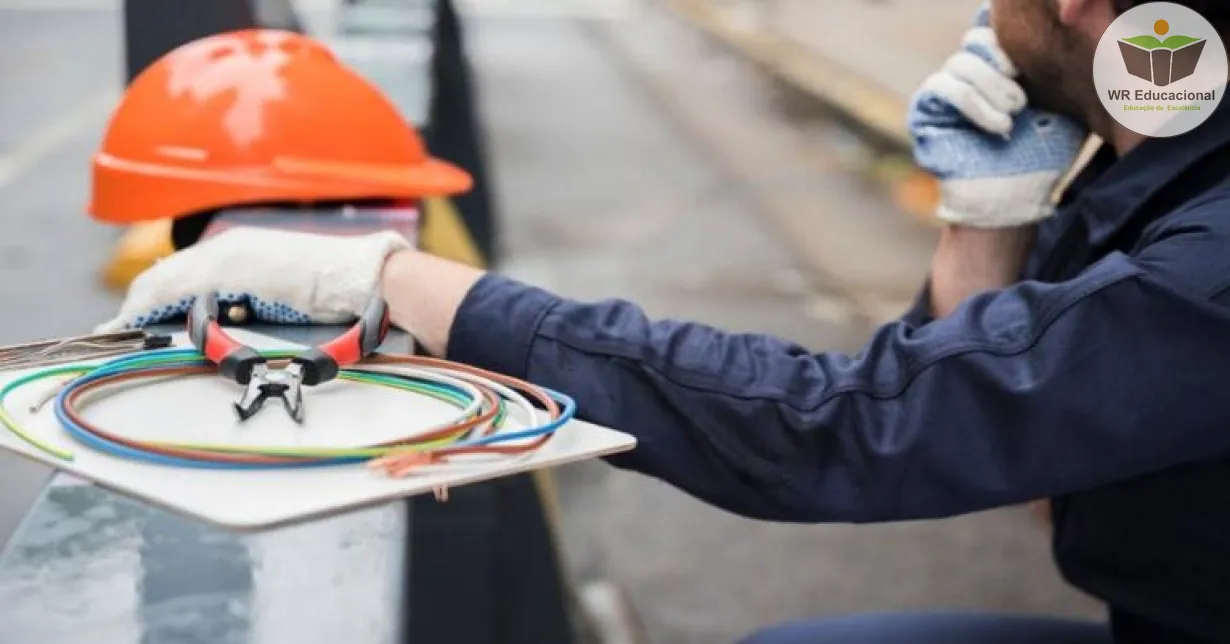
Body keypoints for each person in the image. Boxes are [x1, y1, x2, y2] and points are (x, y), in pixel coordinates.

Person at [99, 0, 1230, 642]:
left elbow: (839, 427)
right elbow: (1011, 446)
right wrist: (988, 221)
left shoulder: (1207, 261)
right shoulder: (1157, 179)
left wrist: (399, 280)